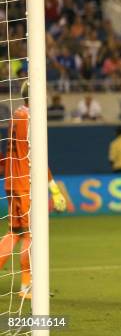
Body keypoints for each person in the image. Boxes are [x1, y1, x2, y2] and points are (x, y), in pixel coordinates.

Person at [0, 82, 66, 299]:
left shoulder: (16, 113)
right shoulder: (32, 118)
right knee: (31, 234)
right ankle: (27, 287)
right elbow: (36, 157)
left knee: (14, 233)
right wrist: (54, 189)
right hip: (24, 181)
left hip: (11, 179)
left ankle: (27, 286)